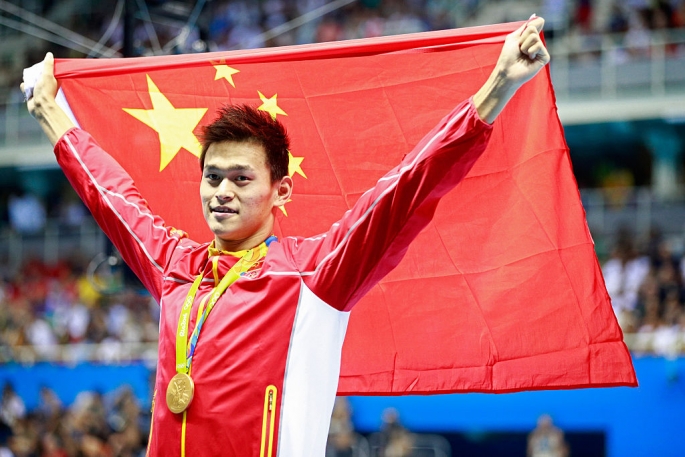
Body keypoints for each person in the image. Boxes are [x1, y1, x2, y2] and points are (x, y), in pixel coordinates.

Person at [22, 17, 550, 457]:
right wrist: (48, 107)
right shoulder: (173, 266)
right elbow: (110, 195)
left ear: (281, 190)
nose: (221, 192)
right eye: (212, 177)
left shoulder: (315, 274)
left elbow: (406, 188)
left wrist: (497, 87)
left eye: (241, 178)